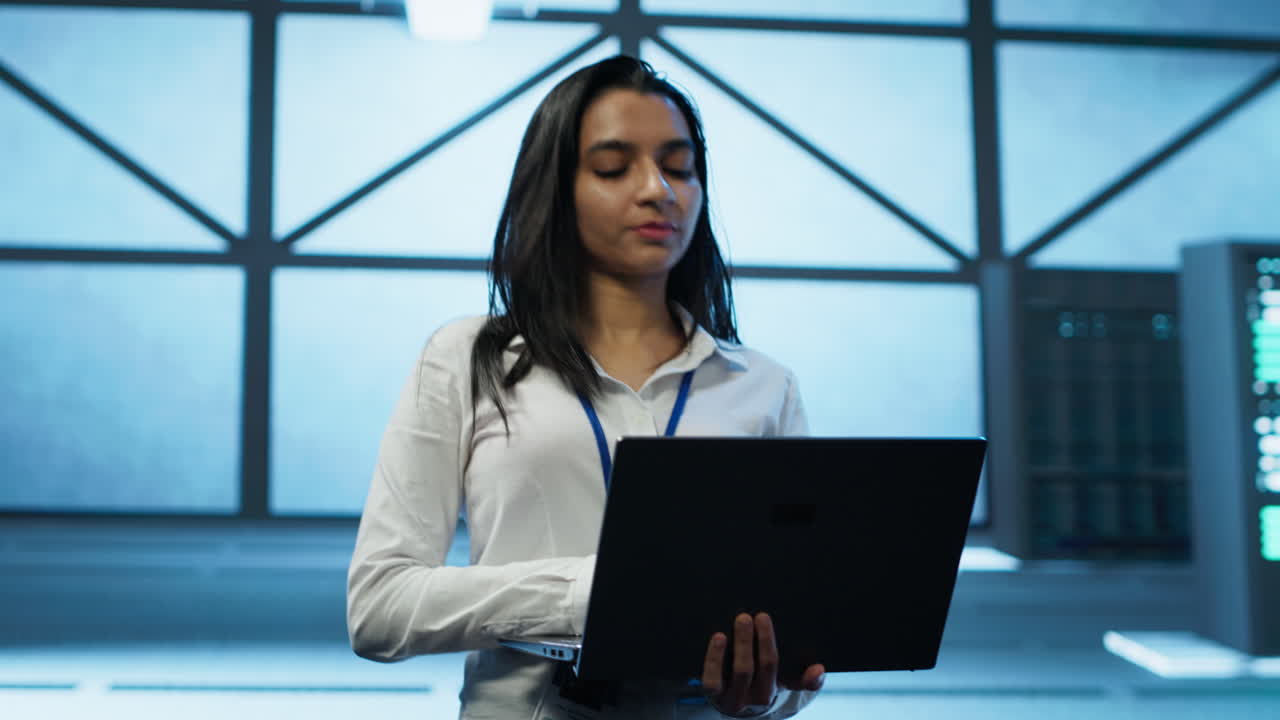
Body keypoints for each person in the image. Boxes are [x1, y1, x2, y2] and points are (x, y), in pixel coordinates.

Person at [347, 55, 826, 719]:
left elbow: (796, 645)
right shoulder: (466, 359)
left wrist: (764, 695)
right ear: (557, 189)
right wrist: (585, 593)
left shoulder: (765, 387)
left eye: (679, 167)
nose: (657, 189)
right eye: (613, 167)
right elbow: (379, 607)